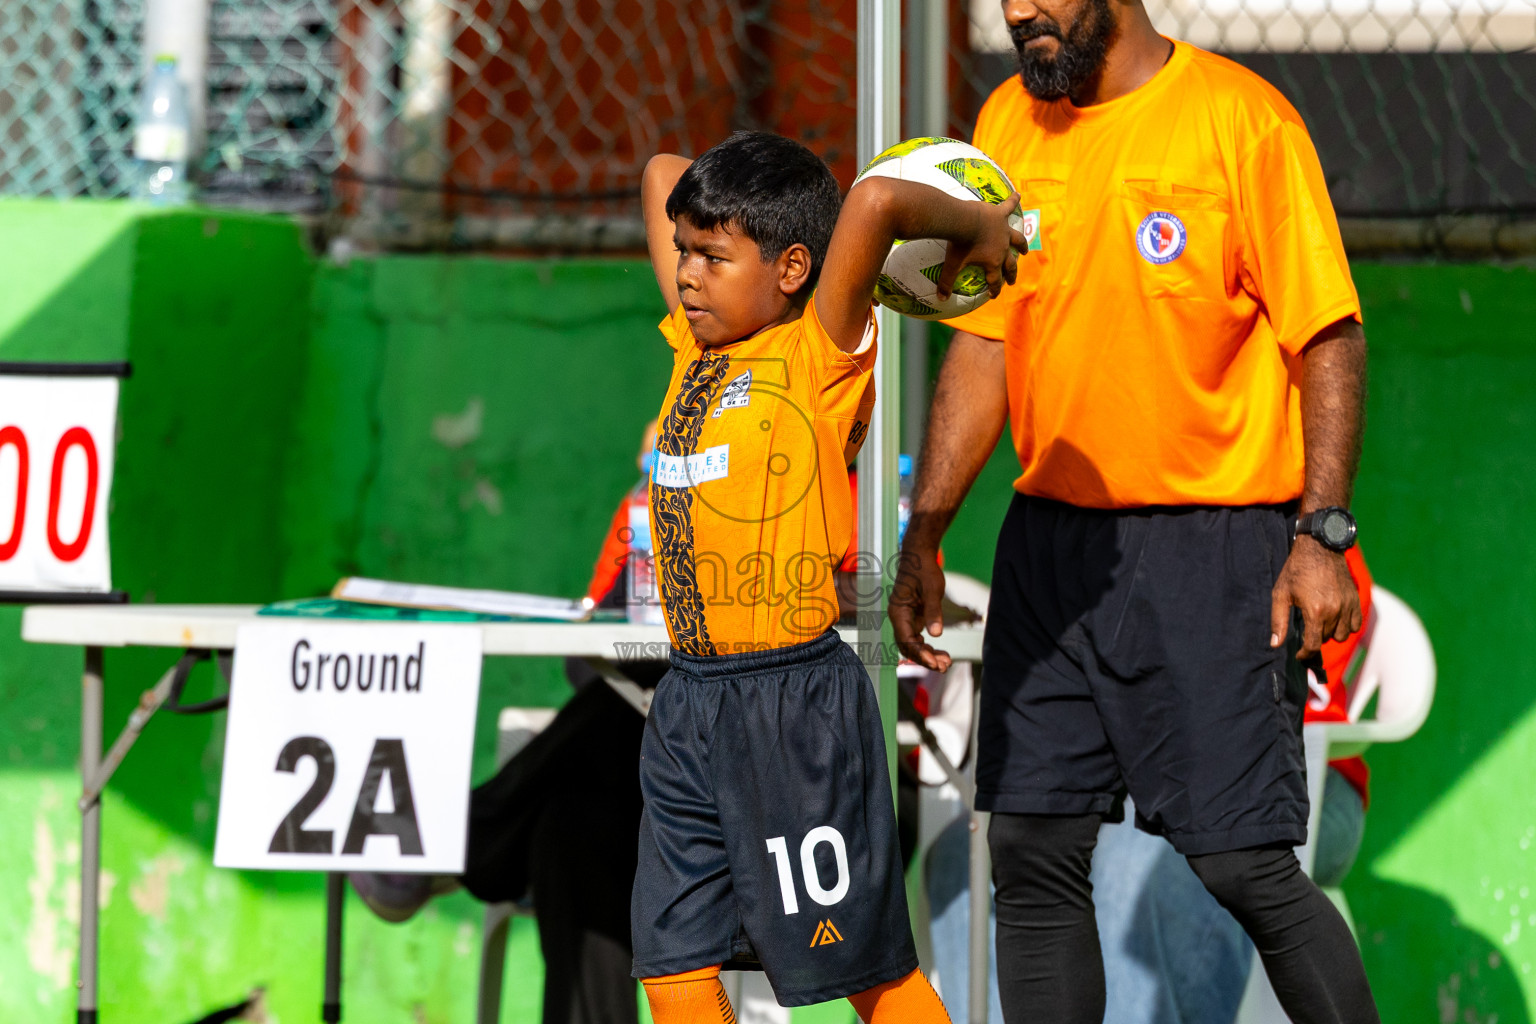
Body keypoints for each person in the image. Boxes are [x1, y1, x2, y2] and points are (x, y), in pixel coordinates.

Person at [888, 0, 1380, 1018]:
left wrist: (1322, 532)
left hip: (1215, 546)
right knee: (1030, 848)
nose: (1020, 9)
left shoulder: (1242, 123)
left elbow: (1328, 337)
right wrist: (926, 528)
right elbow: (985, 341)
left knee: (1242, 861)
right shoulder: (1006, 130)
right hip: (1052, 545)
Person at [632, 130, 1022, 1023]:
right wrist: (729, 205)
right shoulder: (695, 350)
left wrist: (980, 229)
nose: (688, 275)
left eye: (714, 258)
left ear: (794, 267)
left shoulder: (817, 356)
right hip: (691, 702)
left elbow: (879, 207)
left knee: (862, 970)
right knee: (673, 962)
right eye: (683, 252)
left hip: (793, 705)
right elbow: (662, 172)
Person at [924, 547, 1380, 1024]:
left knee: (1147, 861)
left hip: (1304, 774)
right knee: (980, 848)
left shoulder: (1297, 536)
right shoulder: (1116, 532)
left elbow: (1257, 706)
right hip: (1154, 769)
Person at [350, 422, 669, 1024]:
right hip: (646, 778)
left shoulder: (834, 507)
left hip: (764, 768)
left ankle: (456, 841)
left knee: (618, 714)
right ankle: (462, 841)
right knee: (570, 822)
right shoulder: (650, 509)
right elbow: (591, 651)